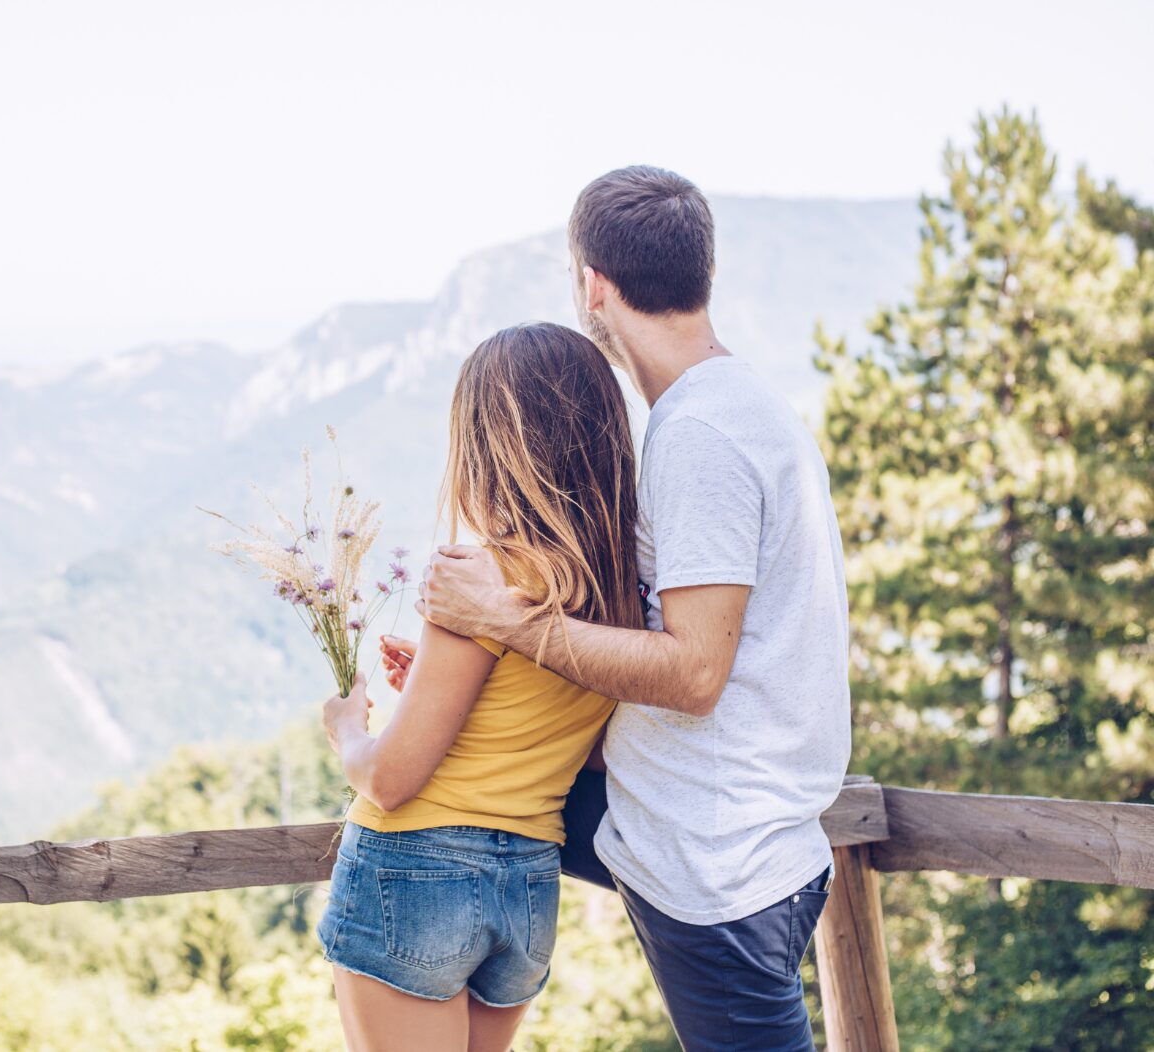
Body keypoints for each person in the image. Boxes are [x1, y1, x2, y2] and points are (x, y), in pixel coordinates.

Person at [382, 166, 852, 1050]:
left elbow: (696, 672)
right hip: (740, 837)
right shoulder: (736, 408)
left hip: (715, 861)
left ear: (592, 285)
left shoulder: (700, 438)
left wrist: (500, 620)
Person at [319, 321, 644, 1052]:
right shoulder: (618, 593)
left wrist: (346, 727)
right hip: (527, 885)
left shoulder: (479, 579)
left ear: (487, 442)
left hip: (415, 871)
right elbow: (561, 733)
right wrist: (440, 681)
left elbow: (392, 778)